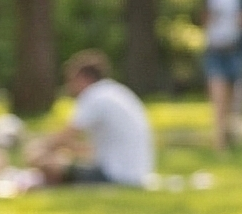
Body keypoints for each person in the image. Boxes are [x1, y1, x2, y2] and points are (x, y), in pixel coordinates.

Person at [29, 50, 155, 187]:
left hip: (115, 174)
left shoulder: (94, 96)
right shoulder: (113, 91)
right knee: (59, 161)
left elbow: (64, 136)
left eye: (71, 80)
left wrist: (38, 147)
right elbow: (94, 149)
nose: (69, 86)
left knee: (47, 164)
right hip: (134, 172)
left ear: (83, 78)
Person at [204, 0, 242, 151]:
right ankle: (220, 142)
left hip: (237, 50)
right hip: (215, 49)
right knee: (219, 98)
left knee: (235, 100)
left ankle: (232, 134)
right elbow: (204, 17)